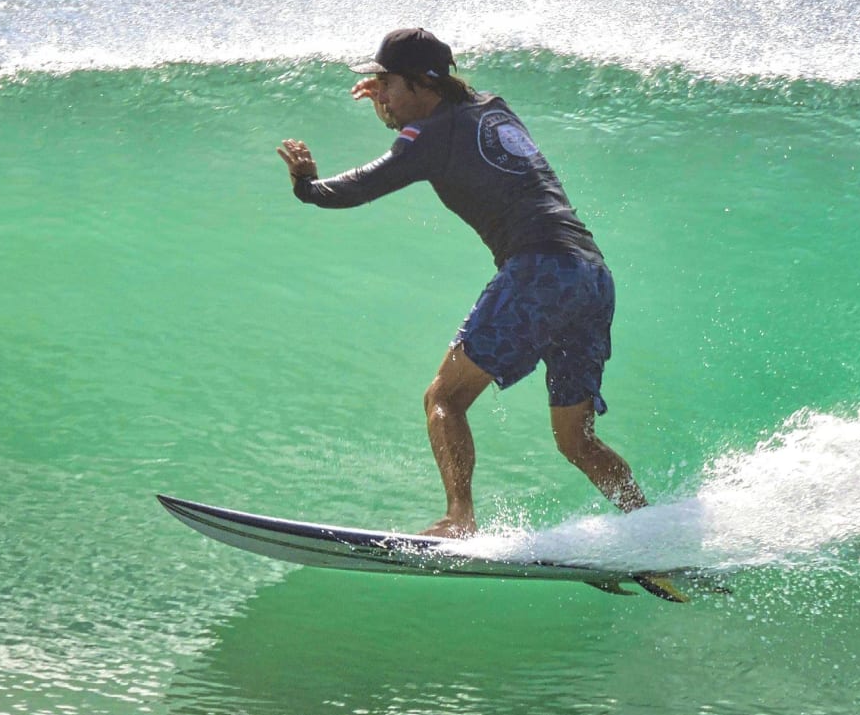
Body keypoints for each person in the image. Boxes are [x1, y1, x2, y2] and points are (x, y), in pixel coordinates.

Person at [277, 27, 648, 538]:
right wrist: (393, 98)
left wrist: (307, 186)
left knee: (443, 399)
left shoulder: (431, 136)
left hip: (538, 269)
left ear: (420, 83)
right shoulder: (491, 107)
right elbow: (436, 116)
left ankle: (460, 520)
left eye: (386, 82)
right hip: (589, 275)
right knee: (576, 442)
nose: (377, 92)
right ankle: (649, 527)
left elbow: (363, 185)